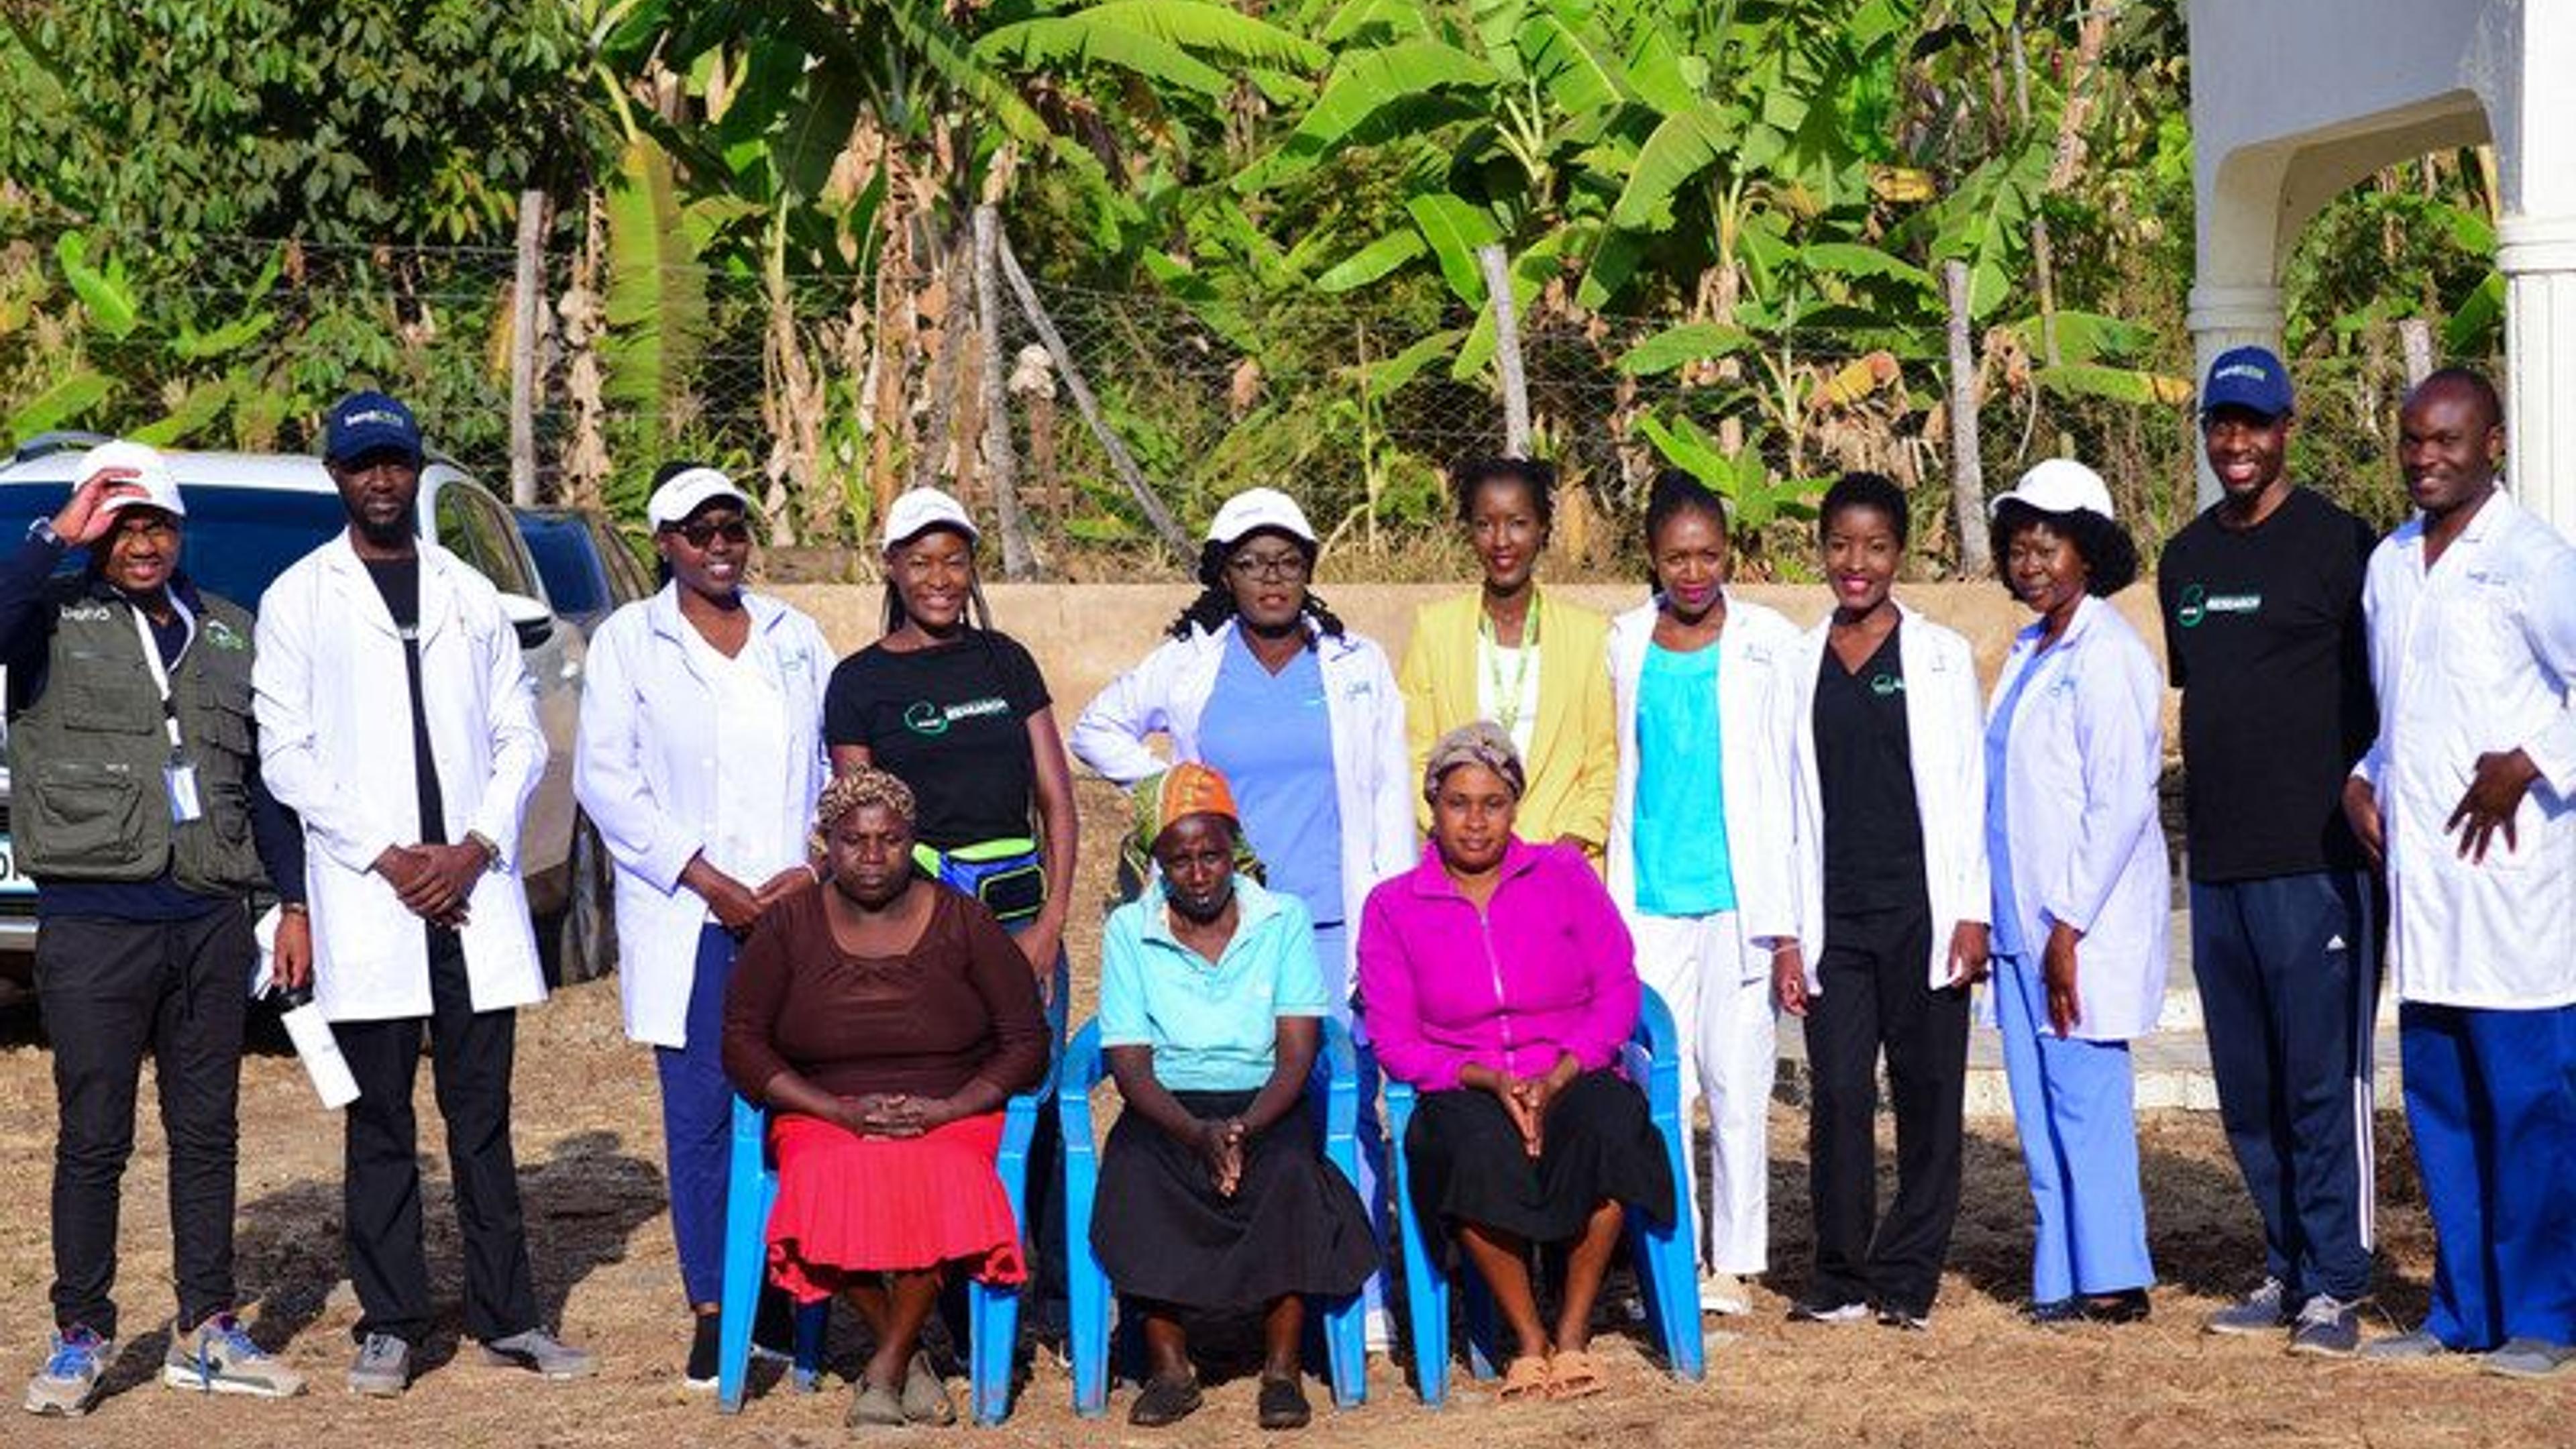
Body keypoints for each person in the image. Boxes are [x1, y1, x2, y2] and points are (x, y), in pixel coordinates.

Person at [254, 390, 594, 1395]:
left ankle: (511, 1317)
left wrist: (476, 846)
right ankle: (393, 1322)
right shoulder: (299, 599)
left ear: (415, 468)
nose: (383, 481)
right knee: (381, 1122)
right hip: (374, 899)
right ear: (338, 478)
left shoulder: (468, 593)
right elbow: (288, 756)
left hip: (470, 896)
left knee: (482, 1120)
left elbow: (519, 733)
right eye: (364, 466)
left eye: (397, 462)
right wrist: (393, 857)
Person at [7, 441, 310, 1415]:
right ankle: (81, 1336)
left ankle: (209, 1328)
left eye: (158, 525)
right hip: (96, 917)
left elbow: (265, 786)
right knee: (95, 1136)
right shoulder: (49, 615)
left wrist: (288, 901)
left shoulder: (227, 630)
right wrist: (57, 529)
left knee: (207, 1131)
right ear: (99, 533)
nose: (143, 543)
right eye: (124, 525)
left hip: (211, 914)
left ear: (181, 534)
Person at [1071, 486, 1414, 1332]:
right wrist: (1168, 793)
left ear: (1309, 573)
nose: (1272, 580)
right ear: (1225, 574)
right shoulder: (1191, 661)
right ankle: (1237, 1286)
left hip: (1333, 920)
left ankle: (1357, 1298)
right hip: (1222, 927)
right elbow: (1095, 728)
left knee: (1347, 1099)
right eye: (1254, 564)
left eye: (1289, 563)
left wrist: (1392, 926)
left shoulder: (1353, 663)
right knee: (1232, 1098)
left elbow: (1388, 791)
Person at [573, 462, 833, 1386]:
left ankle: (793, 1296)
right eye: (699, 531)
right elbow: (607, 781)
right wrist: (707, 878)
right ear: (666, 544)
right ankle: (714, 1302)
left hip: (797, 912)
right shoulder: (627, 646)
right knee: (701, 1118)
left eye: (733, 527)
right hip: (689, 912)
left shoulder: (797, 637)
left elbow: (836, 766)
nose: (721, 545)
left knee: (794, 1108)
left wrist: (814, 863)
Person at [2344, 369, 2576, 1377]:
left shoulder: (2533, 559)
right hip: (2426, 894)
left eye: (2446, 440)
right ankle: (2462, 1310)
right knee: (2441, 1109)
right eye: (2411, 441)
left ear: (2494, 444)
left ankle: (2546, 1318)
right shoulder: (2392, 563)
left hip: (2517, 894)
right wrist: (2364, 776)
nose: (2426, 458)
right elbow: (2407, 709)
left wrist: (2530, 761)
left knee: (2530, 1109)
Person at [2156, 347, 2383, 1355]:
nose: (2235, 443)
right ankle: (2285, 1265)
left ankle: (2338, 1280)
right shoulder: (2186, 560)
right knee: (2246, 1085)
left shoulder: (2342, 545)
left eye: (2254, 423)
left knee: (2317, 1080)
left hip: (2319, 864)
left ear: (2288, 426)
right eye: (2221, 424)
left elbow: (2384, 701)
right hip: (2218, 867)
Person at [721, 767, 1049, 1428]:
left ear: (913, 842)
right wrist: (832, 1110)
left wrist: (954, 1109)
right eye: (853, 841)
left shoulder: (965, 921)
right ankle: (908, 1356)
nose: (873, 856)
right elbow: (743, 1045)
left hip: (950, 1108)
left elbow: (1025, 1040)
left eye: (890, 840)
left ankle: (885, 1365)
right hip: (826, 1109)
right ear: (825, 845)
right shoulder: (787, 926)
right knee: (825, 1175)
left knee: (944, 1171)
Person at [1359, 722, 1673, 1402]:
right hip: (1465, 1081)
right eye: (1458, 803)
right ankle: (1527, 1341)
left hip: (1569, 1068)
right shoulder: (1391, 907)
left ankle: (1571, 1335)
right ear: (1432, 806)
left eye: (1493, 803)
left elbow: (1618, 986)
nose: (1475, 822)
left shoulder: (1563, 875)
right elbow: (1395, 1037)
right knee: (1467, 1146)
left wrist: (1562, 1071)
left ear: (1516, 806)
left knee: (1613, 1126)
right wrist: (1489, 1080)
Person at [1091, 763, 1377, 1430]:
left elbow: (1298, 1051)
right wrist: (1197, 1134)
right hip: (1167, 1101)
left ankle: (1281, 1369)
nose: (1198, 873)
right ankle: (1169, 1367)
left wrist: (1243, 1128)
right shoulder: (1130, 931)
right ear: (1154, 862)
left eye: (1211, 854)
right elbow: (1130, 1066)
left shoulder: (1281, 919)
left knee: (1289, 1173)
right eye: (1180, 858)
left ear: (1235, 851)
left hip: (1266, 1094)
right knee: (1135, 1172)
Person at [1774, 472, 1989, 1332]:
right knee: (1837, 1095)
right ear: (1821, 550)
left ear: (1901, 552)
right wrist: (1788, 936)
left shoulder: (1938, 658)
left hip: (1924, 911)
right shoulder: (1796, 661)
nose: (1855, 564)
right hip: (1835, 918)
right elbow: (1780, 802)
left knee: (1930, 1091)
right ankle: (1840, 1273)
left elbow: (1969, 789)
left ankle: (1908, 1275)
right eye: (1839, 545)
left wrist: (1971, 910)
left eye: (1874, 547)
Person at [1603, 470, 1803, 1316]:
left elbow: (1796, 781)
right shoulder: (1624, 642)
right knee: (1660, 1083)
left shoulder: (1770, 640)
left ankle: (1739, 1261)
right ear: (1652, 556)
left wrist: (1791, 924)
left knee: (1738, 1074)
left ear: (1730, 555)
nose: (1694, 573)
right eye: (1678, 557)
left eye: (1709, 556)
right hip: (1649, 895)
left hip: (1739, 897)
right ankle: (1672, 1252)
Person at [1982, 458, 2167, 1326]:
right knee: (2038, 1101)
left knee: (2086, 1097)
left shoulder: (2110, 654)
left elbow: (2120, 799)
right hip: (2021, 921)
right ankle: (2058, 1270)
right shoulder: (2029, 651)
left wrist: (2068, 926)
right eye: (2019, 548)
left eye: (2048, 547)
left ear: (2088, 554)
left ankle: (2115, 1275)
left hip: (2074, 925)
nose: (2032, 564)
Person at [1397, 458, 1615, 861]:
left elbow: (1605, 760)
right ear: (1469, 532)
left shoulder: (1590, 635)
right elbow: (1413, 754)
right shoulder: (1434, 630)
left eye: (1517, 523)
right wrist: (1454, 828)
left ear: (1543, 529)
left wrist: (1571, 843)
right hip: (1462, 862)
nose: (1501, 541)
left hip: (1559, 862)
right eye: (1485, 524)